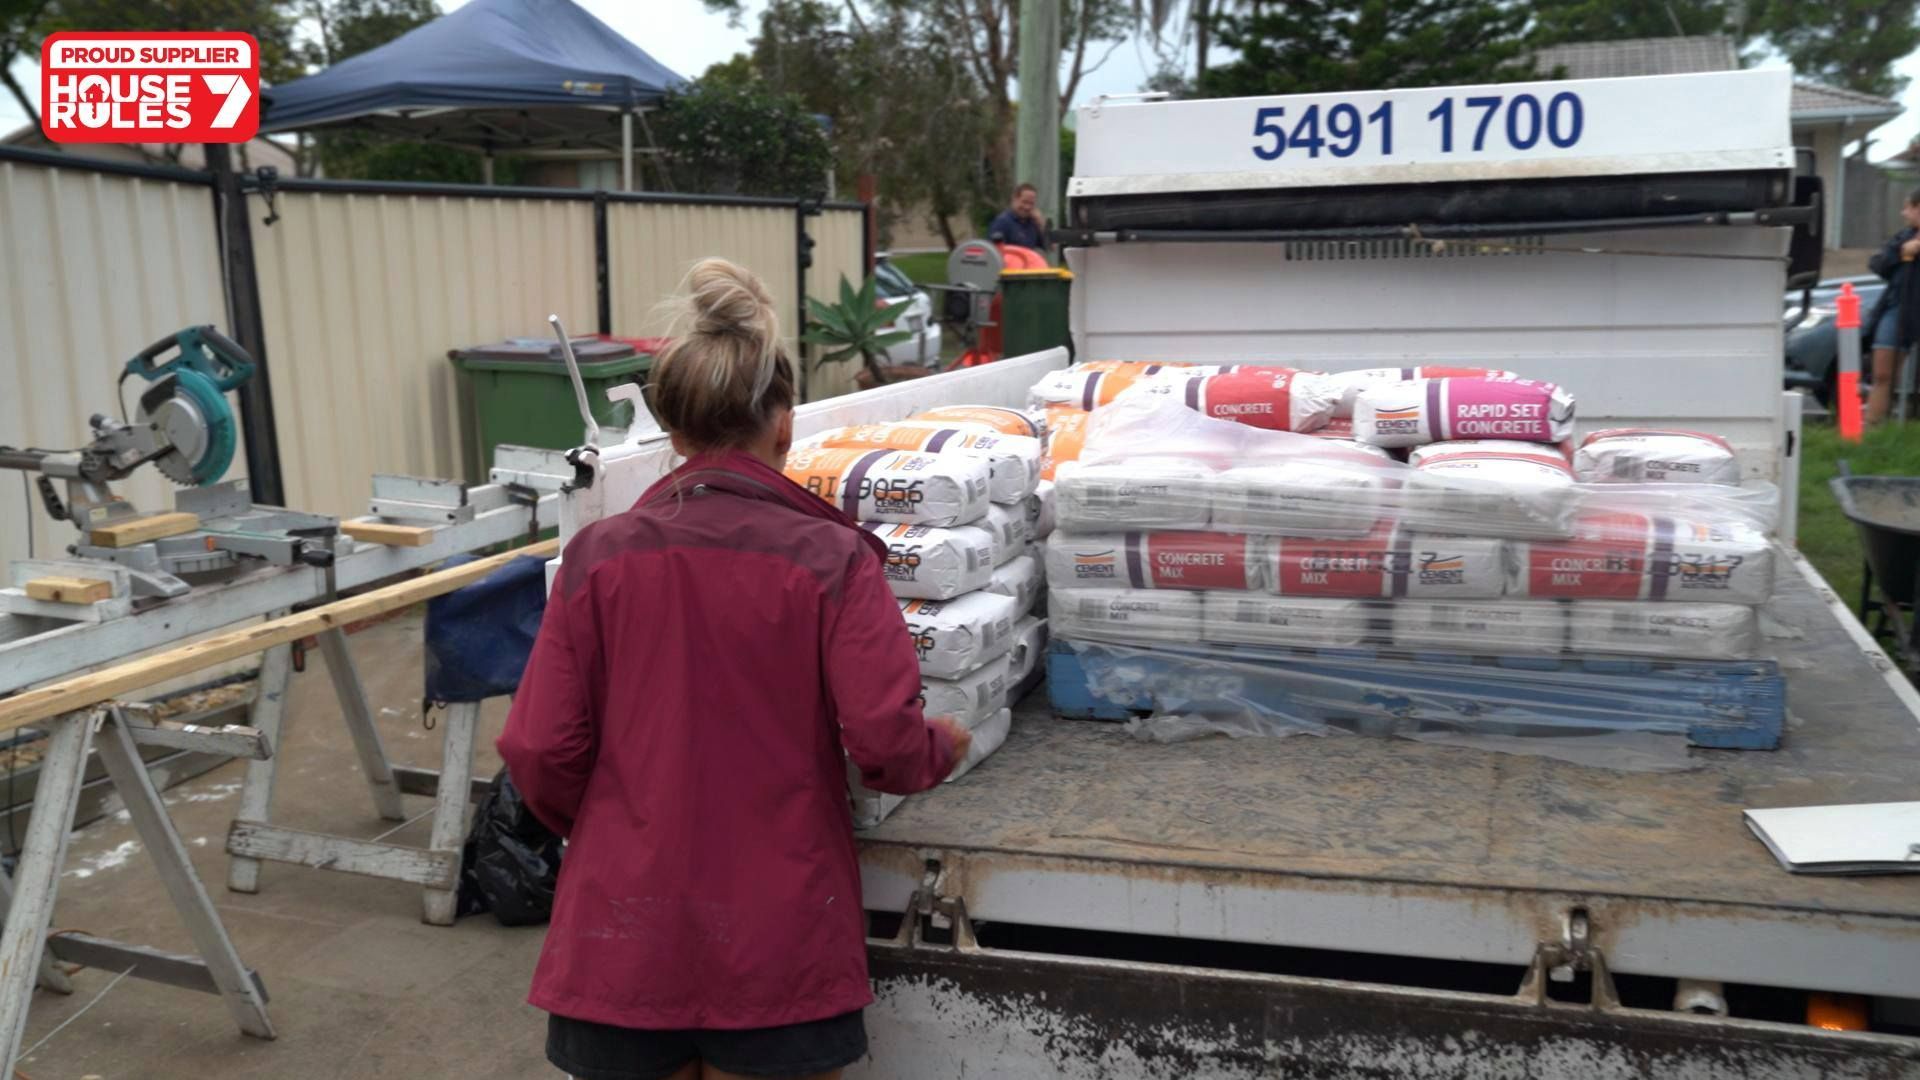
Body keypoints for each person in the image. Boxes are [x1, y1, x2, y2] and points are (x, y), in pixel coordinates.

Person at [498, 257, 972, 1080]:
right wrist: (945, 745)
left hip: (620, 940)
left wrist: (623, 821)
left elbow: (539, 750)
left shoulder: (596, 559)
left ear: (673, 433)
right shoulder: (832, 561)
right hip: (778, 944)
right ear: (784, 426)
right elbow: (886, 745)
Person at [1865, 189, 1920, 424]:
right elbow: (1878, 264)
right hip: (1899, 309)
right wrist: (1902, 252)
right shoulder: (1905, 237)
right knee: (1883, 374)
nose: (1903, 212)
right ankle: (1875, 429)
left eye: (1908, 207)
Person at [987, 182, 1048, 251]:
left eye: (1031, 203)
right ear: (1014, 199)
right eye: (1024, 202)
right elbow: (992, 253)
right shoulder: (1002, 223)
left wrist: (1041, 222)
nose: (1027, 207)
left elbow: (1050, 247)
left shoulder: (1033, 223)